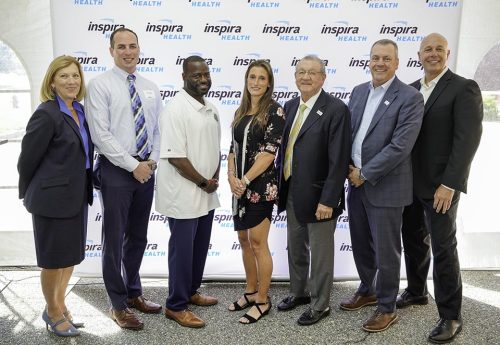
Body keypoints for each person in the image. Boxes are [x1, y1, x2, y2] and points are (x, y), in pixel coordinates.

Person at [397, 33, 483, 344]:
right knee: (414, 239)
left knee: (444, 247)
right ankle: (417, 290)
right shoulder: (409, 90)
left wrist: (450, 184)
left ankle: (451, 315)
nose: (433, 54)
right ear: (418, 55)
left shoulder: (463, 88)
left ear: (447, 54)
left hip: (440, 186)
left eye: (439, 49)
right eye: (427, 49)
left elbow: (467, 141)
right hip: (408, 184)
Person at [339, 39, 424, 332]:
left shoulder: (411, 97)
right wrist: (349, 169)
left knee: (387, 251)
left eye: (387, 59)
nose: (380, 63)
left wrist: (365, 172)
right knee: (361, 243)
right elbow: (350, 133)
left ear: (397, 63)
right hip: (356, 184)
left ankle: (387, 307)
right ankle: (367, 289)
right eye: (376, 57)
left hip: (385, 185)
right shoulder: (359, 91)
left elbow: (401, 146)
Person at [85, 27, 162, 330]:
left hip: (146, 170)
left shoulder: (150, 86)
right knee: (114, 240)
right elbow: (101, 135)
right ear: (111, 50)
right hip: (117, 169)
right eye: (121, 47)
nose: (128, 52)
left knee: (138, 237)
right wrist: (133, 165)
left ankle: (133, 292)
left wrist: (151, 161)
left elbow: (155, 129)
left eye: (132, 46)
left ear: (139, 48)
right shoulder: (100, 85)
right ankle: (117, 304)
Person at [18, 55, 93, 337]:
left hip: (75, 197)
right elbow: (27, 159)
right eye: (64, 76)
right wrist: (28, 193)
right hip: (51, 201)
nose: (71, 81)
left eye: (75, 75)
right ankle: (51, 312)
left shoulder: (80, 111)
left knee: (69, 258)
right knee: (53, 261)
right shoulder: (47, 113)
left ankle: (60, 306)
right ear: (52, 81)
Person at [276, 55, 351, 326]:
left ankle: (320, 305)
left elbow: (339, 159)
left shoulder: (336, 109)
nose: (305, 77)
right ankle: (299, 293)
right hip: (293, 190)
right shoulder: (291, 104)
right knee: (295, 248)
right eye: (301, 72)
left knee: (320, 255)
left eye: (312, 73)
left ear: (323, 77)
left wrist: (329, 199)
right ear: (295, 76)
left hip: (321, 197)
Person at [156, 56, 221, 328]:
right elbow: (176, 157)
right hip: (184, 192)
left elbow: (214, 147)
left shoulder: (211, 107)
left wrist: (215, 176)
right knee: (182, 251)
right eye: (196, 75)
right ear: (184, 77)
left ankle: (191, 291)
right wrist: (204, 181)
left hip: (206, 191)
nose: (203, 79)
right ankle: (176, 305)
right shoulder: (175, 110)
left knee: (198, 247)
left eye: (206, 74)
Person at [226, 60, 285, 324]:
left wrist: (245, 179)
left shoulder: (274, 111)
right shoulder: (241, 111)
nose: (256, 82)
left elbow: (268, 155)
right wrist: (231, 178)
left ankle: (262, 300)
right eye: (252, 77)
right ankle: (250, 291)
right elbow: (232, 149)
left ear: (269, 83)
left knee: (259, 243)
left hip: (260, 188)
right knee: (243, 241)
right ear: (246, 80)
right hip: (239, 188)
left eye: (262, 78)